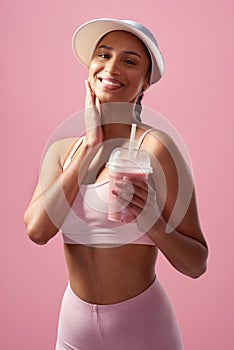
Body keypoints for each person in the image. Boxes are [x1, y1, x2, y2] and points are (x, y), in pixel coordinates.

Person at [24, 18, 208, 350]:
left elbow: (196, 263)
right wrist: (91, 147)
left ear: (146, 82)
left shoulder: (155, 149)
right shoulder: (63, 151)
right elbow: (37, 230)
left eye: (129, 61)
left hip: (143, 330)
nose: (112, 67)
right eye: (104, 55)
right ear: (91, 65)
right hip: (73, 331)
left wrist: (153, 221)